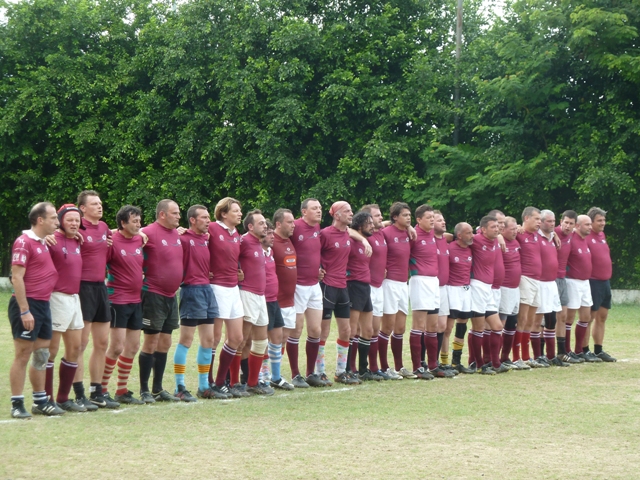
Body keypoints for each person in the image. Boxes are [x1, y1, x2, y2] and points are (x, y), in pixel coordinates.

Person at [9, 202, 64, 418]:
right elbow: (17, 277)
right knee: (23, 354)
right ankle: (16, 403)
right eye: (53, 218)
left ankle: (40, 400)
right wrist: (24, 310)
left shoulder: (43, 242)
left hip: (43, 304)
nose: (57, 223)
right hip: (28, 305)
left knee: (43, 353)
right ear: (40, 220)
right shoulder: (24, 242)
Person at [73, 190, 118, 409]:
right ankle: (78, 393)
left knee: (102, 343)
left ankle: (96, 391)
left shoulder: (104, 228)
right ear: (82, 208)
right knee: (80, 344)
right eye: (94, 204)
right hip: (82, 288)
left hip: (101, 287)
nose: (100, 206)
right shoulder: (75, 228)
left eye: (100, 203)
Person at [45, 204, 92, 412]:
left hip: (74, 299)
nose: (74, 223)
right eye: (70, 220)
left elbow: (108, 233)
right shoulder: (51, 239)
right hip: (56, 298)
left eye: (77, 220)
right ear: (61, 221)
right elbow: (30, 239)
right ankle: (45, 398)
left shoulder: (77, 240)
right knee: (50, 350)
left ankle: (63, 398)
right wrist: (45, 237)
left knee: (75, 348)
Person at [101, 205, 148, 405]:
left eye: (139, 221)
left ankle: (121, 390)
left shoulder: (140, 239)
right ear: (123, 223)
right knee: (117, 347)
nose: (138, 224)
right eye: (134, 221)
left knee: (133, 346)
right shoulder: (111, 241)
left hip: (136, 300)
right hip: (117, 300)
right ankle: (101, 389)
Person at [138, 199, 184, 402]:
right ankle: (144, 390)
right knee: (150, 342)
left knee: (165, 342)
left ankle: (158, 389)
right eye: (175, 213)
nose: (178, 216)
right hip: (153, 294)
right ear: (162, 214)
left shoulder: (176, 233)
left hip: (171, 296)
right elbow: (122, 235)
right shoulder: (147, 232)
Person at [173, 205, 220, 400]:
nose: (208, 220)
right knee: (186, 340)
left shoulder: (206, 239)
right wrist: (176, 233)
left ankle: (203, 386)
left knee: (208, 340)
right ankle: (180, 387)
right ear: (192, 220)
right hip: (191, 291)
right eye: (204, 217)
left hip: (207, 289)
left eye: (209, 217)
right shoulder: (182, 239)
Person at [409, 205, 454, 379]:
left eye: (433, 217)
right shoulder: (413, 234)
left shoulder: (433, 235)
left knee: (433, 327)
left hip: (434, 282)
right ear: (418, 220)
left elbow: (450, 235)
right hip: (419, 280)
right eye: (428, 217)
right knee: (418, 326)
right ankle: (417, 367)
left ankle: (433, 365)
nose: (432, 220)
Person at [208, 197, 245, 398]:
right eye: (236, 211)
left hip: (233, 289)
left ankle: (222, 381)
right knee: (214, 338)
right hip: (217, 288)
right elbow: (193, 241)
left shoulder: (236, 234)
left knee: (237, 337)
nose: (240, 213)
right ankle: (209, 382)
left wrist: (239, 272)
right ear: (223, 213)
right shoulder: (212, 228)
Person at [319, 201, 359, 385]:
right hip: (327, 286)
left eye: (351, 210)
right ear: (336, 215)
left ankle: (341, 371)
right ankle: (319, 371)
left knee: (346, 330)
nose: (351, 214)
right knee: (323, 332)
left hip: (343, 287)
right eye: (347, 211)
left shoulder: (348, 234)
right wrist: (318, 268)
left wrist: (365, 240)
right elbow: (313, 253)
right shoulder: (325, 234)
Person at [236, 210, 275, 396]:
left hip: (261, 296)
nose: (265, 226)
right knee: (241, 340)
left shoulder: (259, 244)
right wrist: (236, 272)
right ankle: (233, 381)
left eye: (264, 224)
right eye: (260, 223)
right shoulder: (243, 241)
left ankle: (252, 382)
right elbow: (228, 256)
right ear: (250, 226)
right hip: (247, 293)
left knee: (261, 341)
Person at [289, 199, 326, 386]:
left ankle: (311, 373)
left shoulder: (318, 227)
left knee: (315, 329)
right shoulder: (294, 226)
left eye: (320, 208)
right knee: (296, 329)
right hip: (298, 285)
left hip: (314, 285)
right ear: (304, 211)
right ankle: (295, 374)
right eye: (315, 208)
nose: (319, 211)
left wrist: (318, 269)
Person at [469, 216, 509, 374]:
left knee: (497, 326)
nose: (497, 229)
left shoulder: (495, 241)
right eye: (493, 227)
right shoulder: (476, 239)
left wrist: (499, 235)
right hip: (477, 287)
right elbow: (455, 236)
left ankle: (495, 362)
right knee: (478, 328)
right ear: (483, 229)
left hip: (490, 289)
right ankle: (478, 364)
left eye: (497, 227)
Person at [271, 209, 307, 387]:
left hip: (290, 300)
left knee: (283, 338)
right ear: (278, 224)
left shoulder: (290, 241)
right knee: (271, 339)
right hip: (274, 299)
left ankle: (274, 375)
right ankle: (263, 375)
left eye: (294, 222)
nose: (294, 225)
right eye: (290, 222)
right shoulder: (270, 241)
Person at [345, 211, 381, 381]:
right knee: (353, 329)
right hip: (353, 285)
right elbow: (347, 230)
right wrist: (362, 238)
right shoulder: (352, 239)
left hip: (366, 287)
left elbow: (386, 224)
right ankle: (348, 368)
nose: (372, 226)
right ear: (359, 226)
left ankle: (363, 369)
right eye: (369, 223)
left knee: (369, 330)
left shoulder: (366, 239)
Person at [380, 202, 414, 379]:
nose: (409, 218)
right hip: (390, 283)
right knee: (387, 327)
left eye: (409, 215)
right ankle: (384, 367)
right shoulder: (386, 233)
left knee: (400, 328)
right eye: (405, 215)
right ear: (395, 217)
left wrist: (410, 229)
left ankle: (399, 366)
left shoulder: (409, 233)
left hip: (403, 284)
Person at [359, 204, 391, 380]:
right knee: (362, 328)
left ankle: (373, 367)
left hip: (379, 285)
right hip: (367, 285)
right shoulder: (364, 235)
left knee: (375, 329)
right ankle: (355, 368)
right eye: (375, 216)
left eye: (380, 216)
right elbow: (350, 231)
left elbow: (389, 222)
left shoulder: (380, 232)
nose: (380, 218)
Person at [261, 220, 294, 390]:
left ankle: (275, 377)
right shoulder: (253, 250)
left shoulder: (270, 252)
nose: (271, 236)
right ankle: (261, 376)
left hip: (274, 300)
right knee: (261, 341)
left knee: (277, 339)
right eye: (267, 233)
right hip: (261, 301)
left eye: (272, 232)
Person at [565, 215, 602, 363]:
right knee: (569, 318)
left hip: (585, 282)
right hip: (572, 282)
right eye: (586, 225)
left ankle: (579, 350)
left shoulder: (584, 240)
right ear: (578, 226)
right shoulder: (570, 239)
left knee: (586, 317)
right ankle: (567, 350)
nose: (589, 227)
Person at [533, 210, 567, 367]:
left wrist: (555, 234)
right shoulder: (534, 236)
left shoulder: (553, 237)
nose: (552, 224)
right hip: (539, 283)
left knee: (552, 319)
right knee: (538, 320)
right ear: (540, 222)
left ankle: (551, 355)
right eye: (549, 221)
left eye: (553, 221)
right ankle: (538, 355)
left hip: (551, 283)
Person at [586, 207, 616, 362]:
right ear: (590, 222)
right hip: (593, 281)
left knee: (602, 317)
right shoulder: (585, 236)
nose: (603, 223)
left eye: (604, 220)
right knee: (589, 317)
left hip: (605, 282)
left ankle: (599, 350)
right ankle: (584, 350)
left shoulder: (602, 235)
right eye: (599, 220)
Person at [513, 207, 542, 369]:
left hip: (537, 281)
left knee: (531, 320)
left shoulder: (537, 236)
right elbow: (499, 234)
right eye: (536, 219)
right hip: (525, 279)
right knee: (522, 319)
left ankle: (526, 356)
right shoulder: (519, 233)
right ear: (526, 218)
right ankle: (516, 357)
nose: (539, 222)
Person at [553, 210, 582, 364]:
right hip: (550, 280)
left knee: (562, 316)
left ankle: (561, 352)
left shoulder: (572, 235)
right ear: (561, 221)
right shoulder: (552, 232)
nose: (568, 226)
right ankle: (545, 354)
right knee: (548, 318)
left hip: (562, 279)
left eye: (571, 223)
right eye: (566, 222)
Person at [448, 222, 475, 374]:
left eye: (472, 232)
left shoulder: (471, 248)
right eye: (468, 233)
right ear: (459, 235)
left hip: (466, 289)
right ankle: (443, 361)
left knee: (462, 325)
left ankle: (456, 361)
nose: (472, 236)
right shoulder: (450, 248)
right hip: (453, 289)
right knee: (448, 327)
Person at [498, 217, 522, 369]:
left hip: (516, 288)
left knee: (512, 323)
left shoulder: (517, 241)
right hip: (504, 288)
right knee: (501, 323)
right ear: (502, 230)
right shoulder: (499, 241)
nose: (514, 232)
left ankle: (505, 357)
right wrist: (499, 237)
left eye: (515, 229)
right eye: (511, 229)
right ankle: (494, 358)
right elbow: (480, 230)